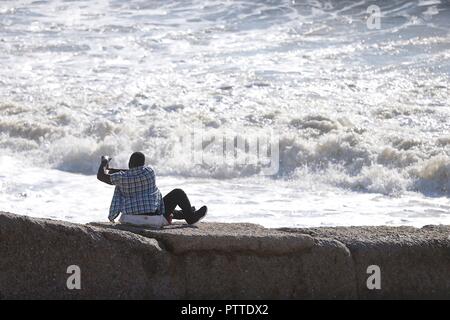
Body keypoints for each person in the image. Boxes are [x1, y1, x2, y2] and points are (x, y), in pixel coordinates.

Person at [97, 152, 207, 226]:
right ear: (143, 164)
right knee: (178, 193)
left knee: (160, 206)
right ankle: (190, 216)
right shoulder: (149, 172)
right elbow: (134, 172)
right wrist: (113, 169)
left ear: (129, 164)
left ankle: (184, 213)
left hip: (129, 219)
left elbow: (101, 176)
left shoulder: (121, 178)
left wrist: (104, 163)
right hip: (154, 219)